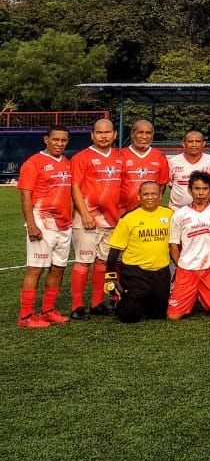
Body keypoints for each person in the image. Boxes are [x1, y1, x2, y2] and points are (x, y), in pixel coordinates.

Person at [16, 126, 73, 328]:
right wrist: (31, 225)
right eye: (55, 139)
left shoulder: (67, 163)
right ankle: (25, 317)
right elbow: (25, 195)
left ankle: (48, 311)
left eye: (63, 140)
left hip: (64, 224)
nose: (59, 144)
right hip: (42, 222)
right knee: (36, 269)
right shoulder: (34, 163)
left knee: (58, 268)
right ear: (46, 139)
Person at [69, 118, 124, 319]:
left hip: (111, 219)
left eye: (107, 132)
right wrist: (84, 213)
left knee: (102, 262)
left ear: (114, 134)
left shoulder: (119, 158)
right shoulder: (81, 157)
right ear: (92, 135)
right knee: (83, 261)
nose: (104, 136)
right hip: (87, 219)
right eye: (99, 132)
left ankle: (97, 303)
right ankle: (77, 306)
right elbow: (75, 186)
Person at [105, 181, 172, 323]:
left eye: (154, 194)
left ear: (160, 196)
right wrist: (110, 277)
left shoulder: (170, 214)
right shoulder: (129, 218)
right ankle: (122, 300)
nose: (150, 197)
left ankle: (147, 299)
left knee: (159, 314)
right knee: (129, 316)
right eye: (145, 194)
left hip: (161, 272)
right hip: (135, 272)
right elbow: (114, 251)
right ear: (139, 197)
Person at [166, 171, 210, 320]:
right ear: (190, 190)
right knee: (173, 316)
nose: (201, 193)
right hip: (187, 270)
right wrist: (179, 265)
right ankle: (195, 295)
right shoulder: (180, 214)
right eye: (197, 189)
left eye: (205, 189)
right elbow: (173, 244)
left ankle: (203, 296)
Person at [119, 120, 170, 219]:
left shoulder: (160, 157)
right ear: (133, 134)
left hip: (150, 213)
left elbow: (162, 185)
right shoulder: (120, 155)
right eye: (140, 132)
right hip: (123, 212)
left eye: (148, 133)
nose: (144, 136)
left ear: (152, 135)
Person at [167, 129, 210, 209]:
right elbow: (170, 184)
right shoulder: (173, 162)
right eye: (190, 141)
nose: (194, 144)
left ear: (203, 144)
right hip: (177, 209)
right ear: (183, 144)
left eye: (198, 141)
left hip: (204, 210)